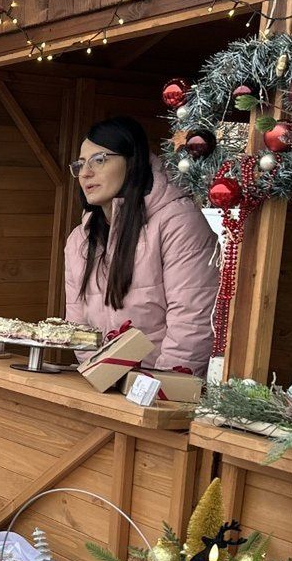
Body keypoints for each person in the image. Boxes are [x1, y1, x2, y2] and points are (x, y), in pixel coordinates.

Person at [64, 116, 219, 376]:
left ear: (132, 161)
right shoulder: (79, 239)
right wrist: (102, 378)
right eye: (80, 164)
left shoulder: (178, 222)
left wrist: (158, 389)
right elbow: (78, 326)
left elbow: (192, 321)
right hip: (104, 383)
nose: (85, 173)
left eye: (99, 160)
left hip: (163, 385)